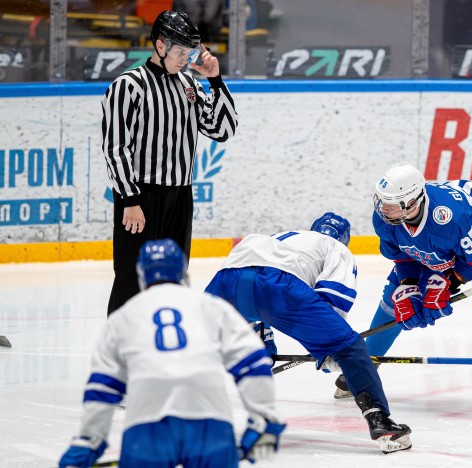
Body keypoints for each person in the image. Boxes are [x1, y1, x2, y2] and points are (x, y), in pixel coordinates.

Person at [333, 162, 472, 420]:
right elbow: (404, 260)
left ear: (414, 201)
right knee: (393, 302)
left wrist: (449, 282)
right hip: (446, 238)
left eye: (392, 204)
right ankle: (367, 366)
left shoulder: (451, 216)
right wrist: (408, 287)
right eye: (383, 202)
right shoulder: (385, 219)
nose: (385, 210)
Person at [59, 239, 284, 468]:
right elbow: (254, 364)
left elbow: (102, 387)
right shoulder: (211, 307)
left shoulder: (122, 318)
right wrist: (264, 421)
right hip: (210, 425)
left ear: (142, 275)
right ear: (182, 273)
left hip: (146, 430)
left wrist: (88, 441)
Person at [204, 213, 413, 454]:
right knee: (350, 346)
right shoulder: (336, 248)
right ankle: (382, 423)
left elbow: (252, 287)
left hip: (226, 280)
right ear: (344, 239)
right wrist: (329, 352)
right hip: (277, 287)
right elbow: (332, 301)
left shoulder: (282, 237)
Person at [102, 10, 238, 315]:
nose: (186, 59)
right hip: (141, 198)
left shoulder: (189, 85)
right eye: (180, 52)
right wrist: (130, 199)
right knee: (131, 279)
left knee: (174, 277)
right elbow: (115, 148)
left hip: (180, 197)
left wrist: (215, 80)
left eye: (191, 52)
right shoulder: (128, 86)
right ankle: (121, 350)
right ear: (160, 46)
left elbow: (223, 129)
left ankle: (167, 349)